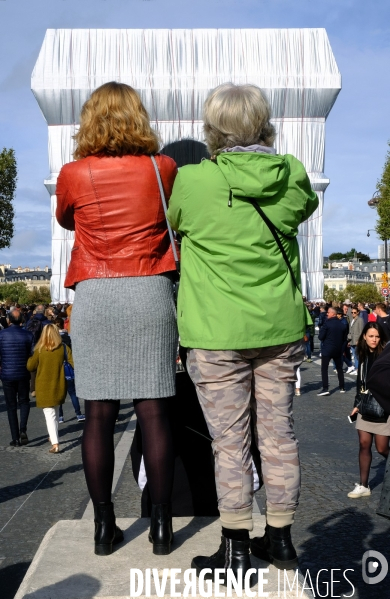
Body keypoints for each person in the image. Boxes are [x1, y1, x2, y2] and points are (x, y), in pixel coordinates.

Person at [167, 82, 318, 582]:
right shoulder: (292, 174)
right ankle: (280, 539)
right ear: (264, 124)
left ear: (213, 129)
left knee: (229, 444)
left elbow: (175, 225)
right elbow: (302, 210)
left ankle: (233, 548)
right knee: (279, 435)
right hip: (279, 325)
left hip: (215, 331)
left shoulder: (192, 181)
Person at [55, 81, 178, 556]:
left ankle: (104, 527)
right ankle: (163, 529)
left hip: (97, 293)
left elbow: (68, 219)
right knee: (155, 413)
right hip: (149, 289)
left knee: (98, 417)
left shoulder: (73, 172)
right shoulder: (161, 166)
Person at [348, 322, 389, 498]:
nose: (374, 339)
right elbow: (360, 383)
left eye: (377, 336)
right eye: (370, 336)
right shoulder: (363, 354)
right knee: (364, 444)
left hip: (383, 405)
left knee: (381, 448)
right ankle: (364, 485)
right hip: (366, 405)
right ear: (364, 336)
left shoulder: (385, 354)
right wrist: (357, 404)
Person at [27, 324, 73, 453]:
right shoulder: (63, 347)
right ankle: (54, 436)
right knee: (55, 412)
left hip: (43, 386)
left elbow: (30, 366)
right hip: (59, 385)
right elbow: (73, 362)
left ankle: (55, 443)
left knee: (49, 414)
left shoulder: (40, 350)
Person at [0, 310, 34, 446]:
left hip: (7, 374)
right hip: (23, 373)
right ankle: (23, 429)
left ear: (8, 320)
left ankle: (15, 437)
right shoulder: (28, 334)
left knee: (11, 406)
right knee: (24, 402)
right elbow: (32, 355)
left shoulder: (1, 335)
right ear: (22, 320)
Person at [53, 317, 85, 423]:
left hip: (58, 370)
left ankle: (60, 416)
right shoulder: (68, 338)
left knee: (60, 394)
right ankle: (78, 414)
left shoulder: (53, 343)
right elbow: (71, 357)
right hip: (68, 370)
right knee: (72, 393)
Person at [317, 306, 347, 396]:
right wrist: (342, 348)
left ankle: (325, 388)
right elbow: (344, 339)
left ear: (333, 314)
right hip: (338, 349)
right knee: (339, 368)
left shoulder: (327, 324)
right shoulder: (342, 325)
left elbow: (320, 337)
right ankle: (342, 387)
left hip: (327, 349)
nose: (327, 314)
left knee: (324, 369)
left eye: (328, 312)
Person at [348, 307, 364, 375]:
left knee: (357, 355)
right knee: (354, 355)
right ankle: (356, 368)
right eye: (352, 312)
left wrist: (359, 340)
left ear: (358, 312)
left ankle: (357, 369)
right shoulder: (352, 320)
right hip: (352, 340)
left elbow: (361, 331)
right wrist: (349, 340)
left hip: (357, 340)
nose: (353, 314)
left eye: (354, 312)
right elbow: (350, 330)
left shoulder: (360, 320)